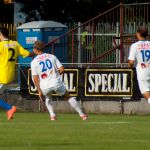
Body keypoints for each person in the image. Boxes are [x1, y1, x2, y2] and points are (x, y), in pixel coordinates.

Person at [31, 40, 87, 121]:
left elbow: (35, 78)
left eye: (33, 48)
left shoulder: (34, 62)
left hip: (44, 85)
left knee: (48, 98)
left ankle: (52, 115)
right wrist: (56, 74)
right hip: (56, 82)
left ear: (36, 49)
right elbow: (62, 69)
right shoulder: (52, 56)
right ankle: (82, 115)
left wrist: (39, 91)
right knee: (68, 97)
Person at [0, 27, 35, 120]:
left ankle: (10, 108)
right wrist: (35, 51)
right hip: (10, 75)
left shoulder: (0, 46)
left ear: (1, 34)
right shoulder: (15, 44)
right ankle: (9, 111)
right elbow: (28, 54)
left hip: (1, 76)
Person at [128, 26, 150, 103]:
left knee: (145, 92)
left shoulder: (135, 46)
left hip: (142, 71)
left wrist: (130, 67)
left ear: (138, 34)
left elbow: (131, 62)